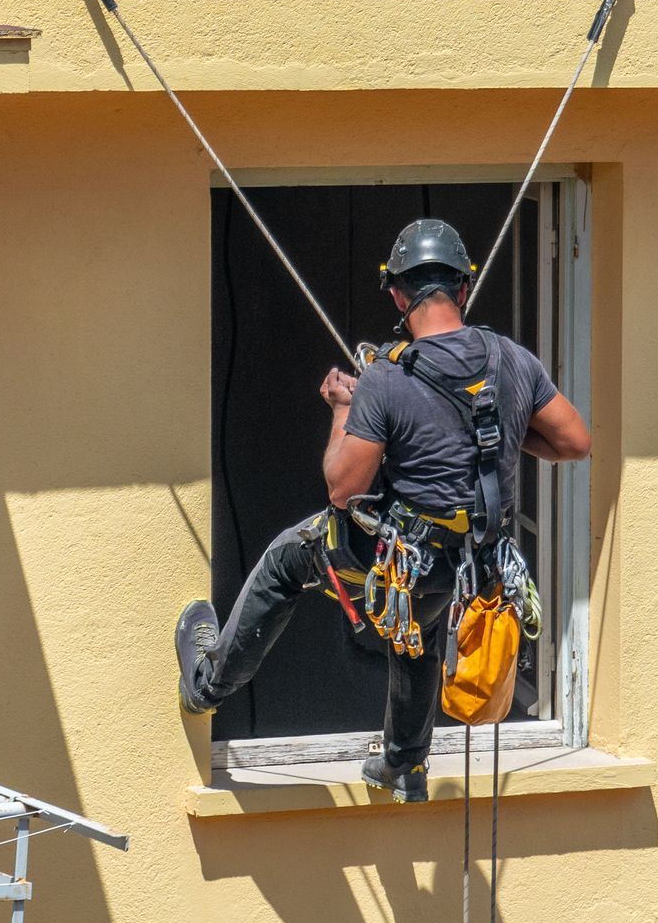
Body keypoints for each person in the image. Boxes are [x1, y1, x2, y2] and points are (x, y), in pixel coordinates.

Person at [175, 218, 590, 801]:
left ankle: (207, 685)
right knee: (415, 624)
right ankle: (402, 763)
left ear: (398, 294)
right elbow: (574, 442)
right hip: (472, 568)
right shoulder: (512, 361)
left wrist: (344, 407)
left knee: (285, 562)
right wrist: (493, 428)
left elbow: (342, 488)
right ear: (464, 289)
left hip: (403, 560)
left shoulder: (387, 379)